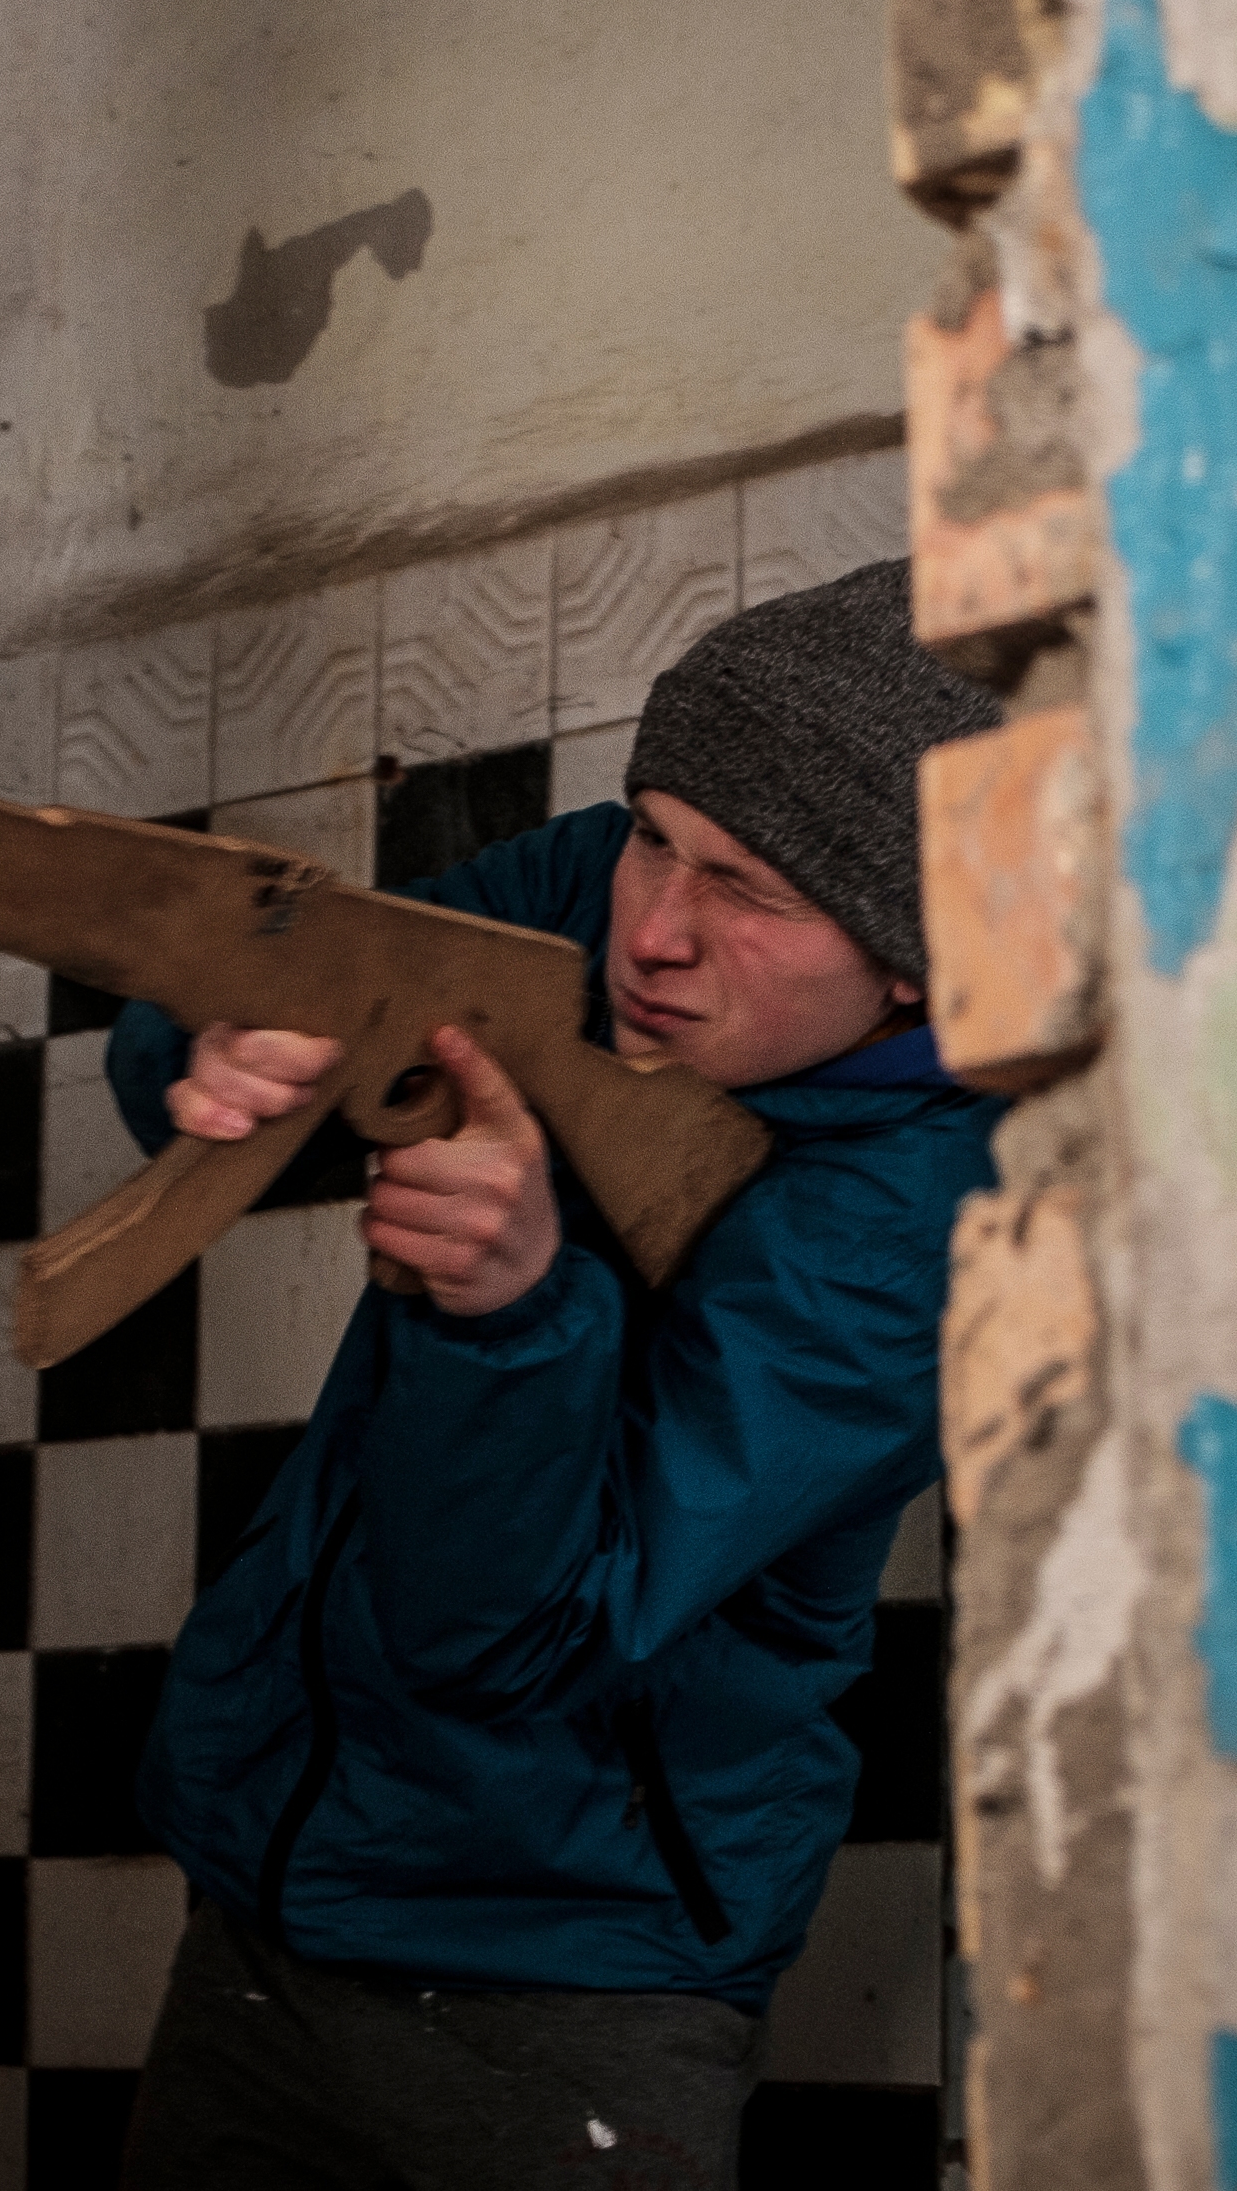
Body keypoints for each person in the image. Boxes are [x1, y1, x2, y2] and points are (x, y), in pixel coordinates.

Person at [101, 557, 1007, 2191]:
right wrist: (226, 1048)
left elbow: (511, 1634)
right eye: (656, 830)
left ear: (914, 968)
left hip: (573, 1971)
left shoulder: (918, 1239)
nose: (652, 926)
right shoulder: (601, 886)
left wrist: (515, 1314)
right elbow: (300, 967)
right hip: (270, 1876)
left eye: (748, 887)